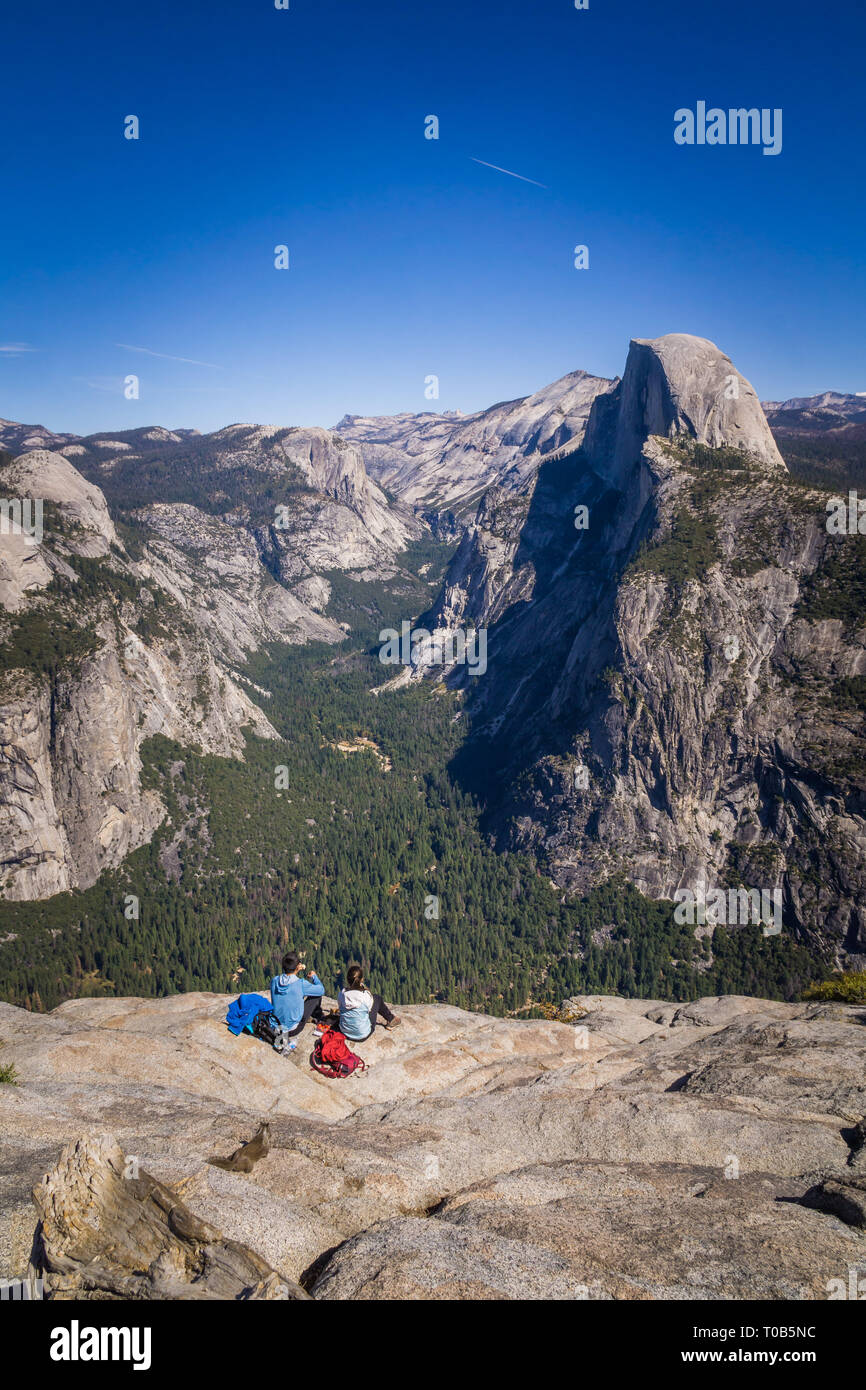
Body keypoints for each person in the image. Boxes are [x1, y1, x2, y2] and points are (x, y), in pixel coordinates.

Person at [337, 964, 401, 1042]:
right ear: (362, 979)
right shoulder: (365, 996)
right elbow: (369, 1009)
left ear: (347, 979)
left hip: (345, 1032)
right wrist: (364, 988)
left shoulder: (341, 994)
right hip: (363, 1035)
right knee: (377, 998)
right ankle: (391, 1019)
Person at [270, 952, 325, 1037]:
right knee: (316, 995)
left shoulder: (274, 980)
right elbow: (321, 990)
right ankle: (316, 1017)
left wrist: (295, 970)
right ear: (298, 966)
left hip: (275, 1027)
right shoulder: (301, 984)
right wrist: (314, 977)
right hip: (292, 1029)